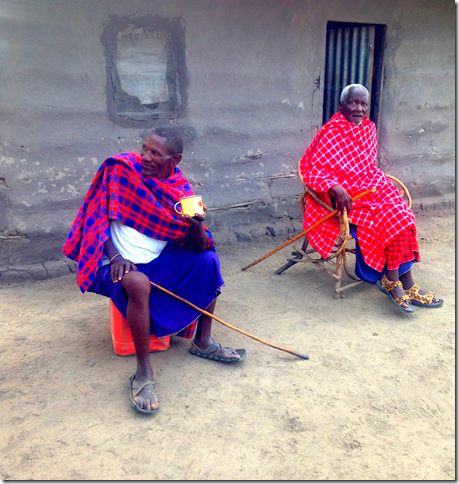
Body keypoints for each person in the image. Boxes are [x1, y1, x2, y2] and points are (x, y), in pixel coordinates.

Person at [63, 125, 246, 415]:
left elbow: (199, 246)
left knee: (209, 261)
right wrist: (115, 257)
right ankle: (143, 373)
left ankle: (203, 340)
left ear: (174, 161)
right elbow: (95, 219)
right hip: (113, 262)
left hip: (157, 263)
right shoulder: (120, 170)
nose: (146, 157)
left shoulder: (181, 193)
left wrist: (196, 224)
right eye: (144, 149)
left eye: (155, 153)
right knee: (136, 283)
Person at [299, 83, 443, 313]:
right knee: (392, 218)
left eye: (363, 103)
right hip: (345, 201)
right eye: (354, 102)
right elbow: (313, 169)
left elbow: (366, 168)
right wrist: (335, 186)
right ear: (341, 106)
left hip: (368, 187)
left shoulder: (369, 129)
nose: (359, 108)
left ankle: (400, 282)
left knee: (402, 215)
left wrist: (375, 185)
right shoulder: (330, 131)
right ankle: (398, 284)